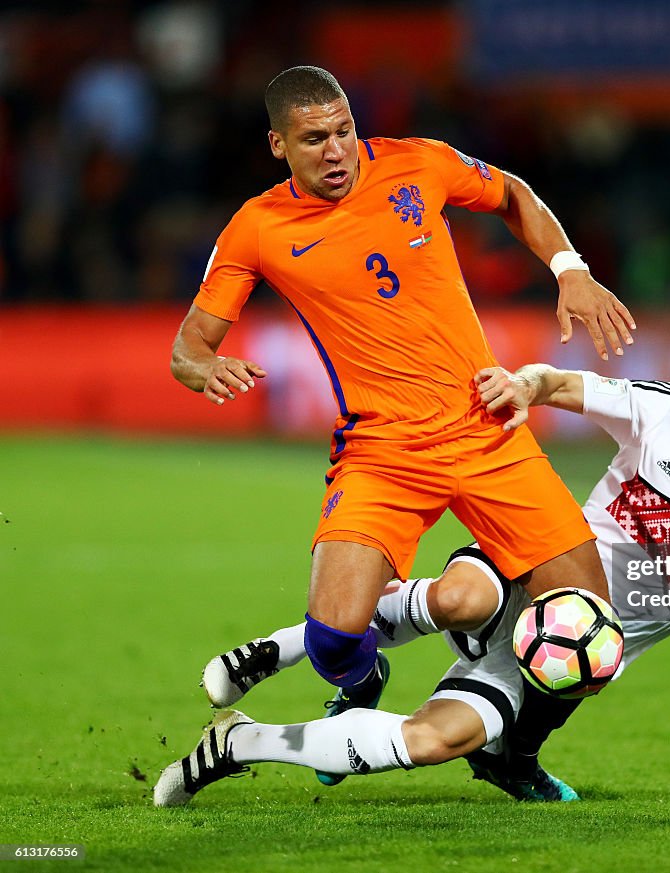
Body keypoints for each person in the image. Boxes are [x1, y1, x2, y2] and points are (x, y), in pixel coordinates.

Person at [154, 344, 670, 808]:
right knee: (462, 594)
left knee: (433, 740)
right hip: (537, 560)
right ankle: (287, 647)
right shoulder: (665, 413)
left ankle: (241, 743)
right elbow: (558, 382)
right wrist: (524, 385)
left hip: (563, 652)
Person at [168, 66, 634, 729]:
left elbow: (514, 194)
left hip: (486, 427)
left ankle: (475, 636)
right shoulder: (258, 227)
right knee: (334, 643)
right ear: (278, 146)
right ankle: (374, 670)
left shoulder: (419, 163)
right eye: (313, 140)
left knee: (591, 639)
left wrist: (571, 270)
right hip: (383, 448)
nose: (336, 151)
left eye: (344, 131)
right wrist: (203, 367)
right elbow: (188, 345)